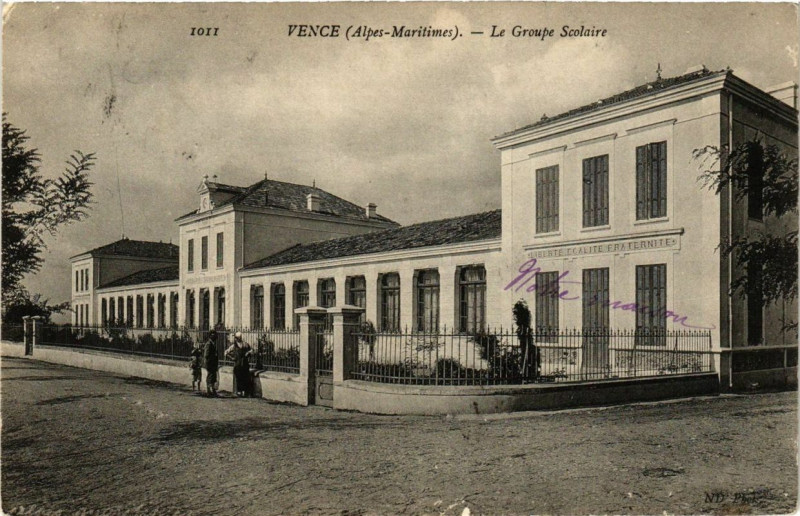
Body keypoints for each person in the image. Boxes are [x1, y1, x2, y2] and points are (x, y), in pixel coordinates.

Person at [225, 331, 252, 397]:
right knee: (238, 377)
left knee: (245, 377)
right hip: (238, 364)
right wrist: (231, 358)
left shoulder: (245, 344)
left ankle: (244, 391)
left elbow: (251, 350)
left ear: (239, 338)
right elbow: (226, 352)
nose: (236, 339)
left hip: (244, 364)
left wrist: (248, 353)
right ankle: (238, 391)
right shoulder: (234, 346)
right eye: (235, 338)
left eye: (237, 338)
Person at [203, 329, 220, 397]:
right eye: (213, 335)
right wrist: (208, 362)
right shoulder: (208, 344)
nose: (215, 337)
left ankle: (213, 390)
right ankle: (208, 391)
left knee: (213, 377)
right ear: (210, 336)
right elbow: (206, 355)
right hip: (210, 363)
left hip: (213, 363)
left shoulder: (212, 343)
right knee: (210, 376)